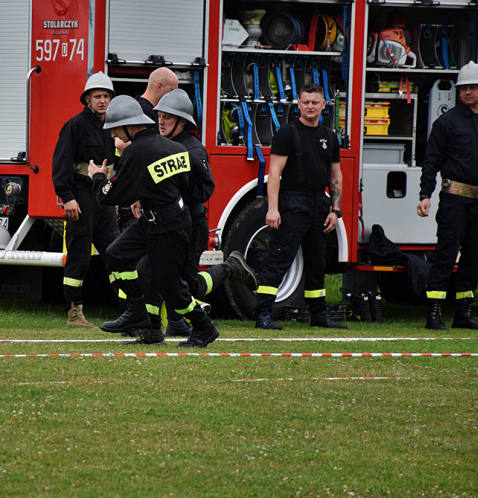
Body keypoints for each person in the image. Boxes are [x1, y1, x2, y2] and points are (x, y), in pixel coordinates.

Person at [88, 95, 220, 348]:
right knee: (116, 253)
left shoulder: (135, 152)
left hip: (169, 230)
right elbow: (196, 184)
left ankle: (204, 327)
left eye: (115, 128)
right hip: (156, 222)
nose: (114, 133)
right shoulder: (173, 148)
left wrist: (97, 178)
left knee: (173, 291)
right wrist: (149, 197)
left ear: (129, 125)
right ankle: (139, 312)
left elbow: (111, 196)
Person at [137, 89, 257, 339]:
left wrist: (173, 194)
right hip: (172, 227)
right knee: (152, 271)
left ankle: (230, 268)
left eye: (167, 117)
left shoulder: (193, 150)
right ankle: (166, 325)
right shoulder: (165, 145)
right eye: (159, 116)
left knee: (186, 286)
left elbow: (204, 189)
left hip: (191, 228)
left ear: (182, 122)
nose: (161, 121)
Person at [417, 61, 478, 330]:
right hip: (454, 199)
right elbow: (431, 161)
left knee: (473, 257)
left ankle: (463, 314)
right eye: (463, 88)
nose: (467, 92)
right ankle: (434, 315)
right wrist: (425, 194)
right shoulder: (447, 123)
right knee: (446, 255)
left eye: (472, 88)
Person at [252, 83, 346, 330]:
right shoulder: (287, 133)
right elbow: (274, 173)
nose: (310, 106)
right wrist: (273, 209)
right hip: (293, 203)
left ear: (324, 105)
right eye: (305, 102)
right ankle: (262, 315)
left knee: (317, 262)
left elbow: (336, 175)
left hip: (320, 203)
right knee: (279, 259)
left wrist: (335, 211)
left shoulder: (329, 136)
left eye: (315, 102)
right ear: (298, 104)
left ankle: (318, 315)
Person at [51, 72, 121, 328]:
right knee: (79, 255)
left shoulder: (113, 126)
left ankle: (128, 308)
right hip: (81, 198)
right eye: (97, 96)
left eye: (106, 96)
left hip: (106, 198)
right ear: (88, 99)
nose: (102, 101)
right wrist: (67, 197)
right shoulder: (75, 125)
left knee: (115, 252)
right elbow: (60, 165)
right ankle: (74, 313)